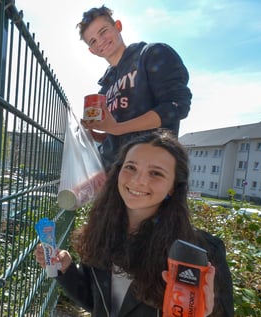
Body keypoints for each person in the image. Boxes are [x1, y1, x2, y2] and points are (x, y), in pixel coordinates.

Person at [35, 131, 234, 316]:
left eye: (156, 173)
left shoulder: (202, 252)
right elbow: (98, 304)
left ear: (173, 187)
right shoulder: (101, 232)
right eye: (130, 167)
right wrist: (67, 269)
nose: (138, 180)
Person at [78, 5, 192, 171]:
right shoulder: (105, 87)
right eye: (93, 41)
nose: (100, 41)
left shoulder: (152, 54)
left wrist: (117, 128)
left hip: (148, 172)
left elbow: (177, 106)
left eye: (103, 31)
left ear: (118, 26)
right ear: (91, 51)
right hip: (113, 175)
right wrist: (96, 134)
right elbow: (116, 134)